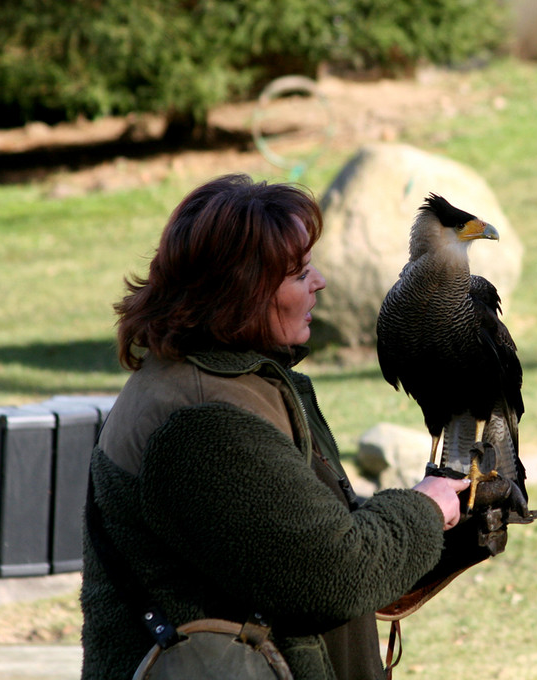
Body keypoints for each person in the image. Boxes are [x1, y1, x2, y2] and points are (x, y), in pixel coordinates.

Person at [80, 174, 477, 680]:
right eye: (298, 274)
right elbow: (331, 575)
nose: (319, 283)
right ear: (240, 291)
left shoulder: (228, 376)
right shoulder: (203, 422)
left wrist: (453, 532)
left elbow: (292, 542)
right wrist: (426, 508)